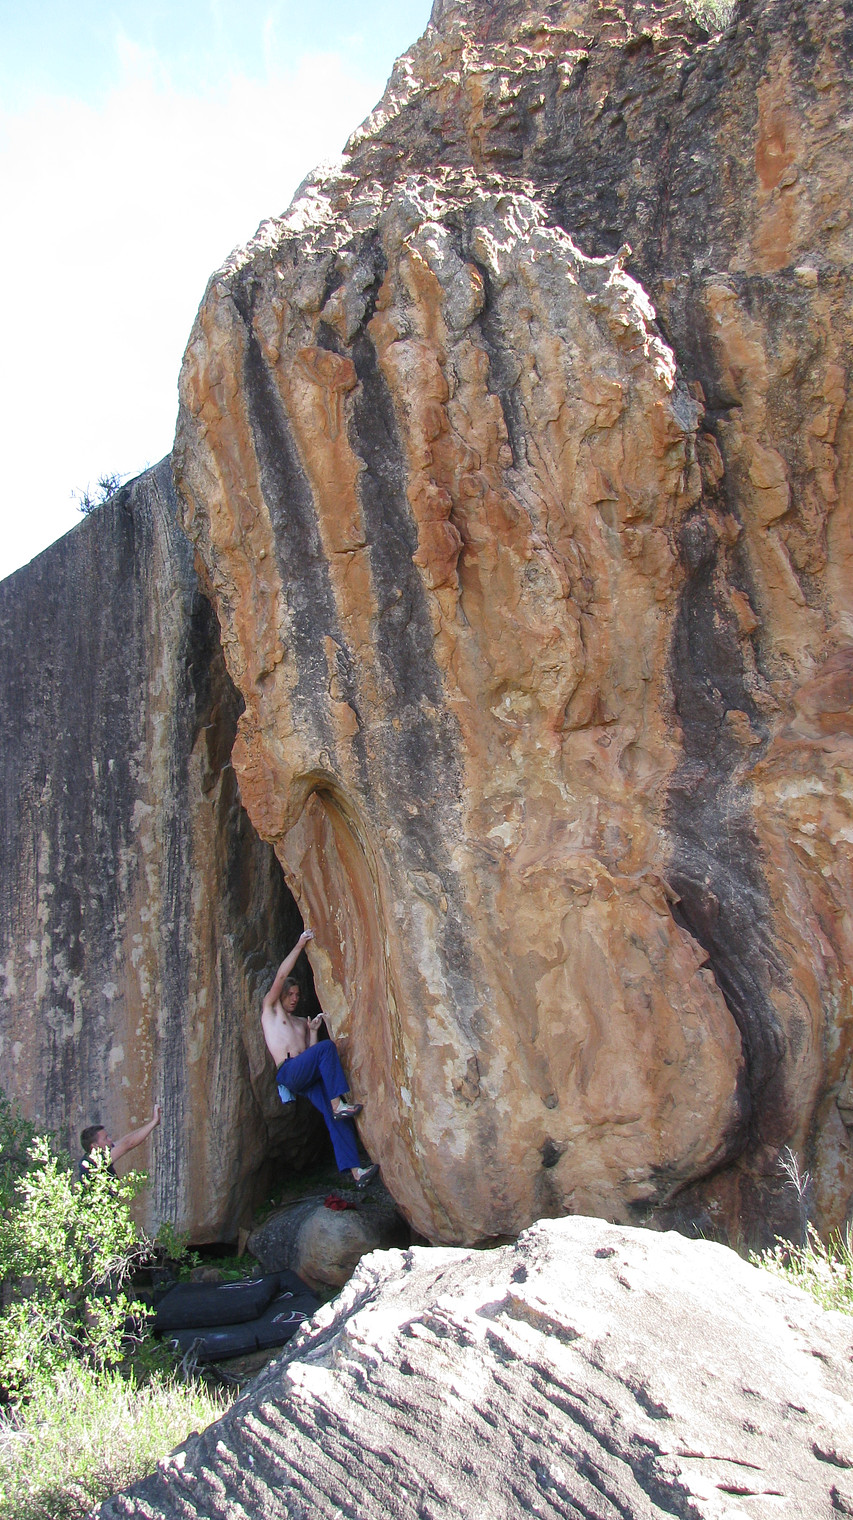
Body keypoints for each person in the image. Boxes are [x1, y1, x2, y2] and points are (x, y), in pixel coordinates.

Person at [261, 929, 379, 1189]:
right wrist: (299, 945)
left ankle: (357, 1172)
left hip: (304, 1077)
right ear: (281, 995)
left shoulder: (299, 1023)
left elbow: (310, 1058)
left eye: (297, 995)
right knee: (327, 1050)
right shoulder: (271, 1011)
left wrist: (313, 1032)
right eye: (290, 995)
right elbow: (280, 975)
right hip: (287, 1071)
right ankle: (338, 1105)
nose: (294, 999)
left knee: (336, 1115)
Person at [79, 1104, 161, 1182]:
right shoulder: (96, 1162)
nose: (110, 1140)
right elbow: (129, 1144)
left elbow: (125, 1140)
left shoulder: (89, 1158)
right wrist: (154, 1121)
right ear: (95, 1145)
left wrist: (152, 1124)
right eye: (105, 1138)